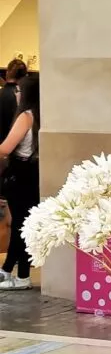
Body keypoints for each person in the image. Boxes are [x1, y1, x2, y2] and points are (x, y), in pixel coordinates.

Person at [0, 74, 39, 291]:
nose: (16, 94)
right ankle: (11, 270)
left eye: (19, 90)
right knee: (25, 223)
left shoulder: (26, 116)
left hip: (20, 173)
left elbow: (6, 148)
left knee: (20, 224)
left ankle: (20, 275)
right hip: (33, 173)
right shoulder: (42, 115)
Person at [0, 59, 26, 145]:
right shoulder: (24, 96)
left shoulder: (2, 93)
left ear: (7, 73)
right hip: (17, 146)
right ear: (24, 77)